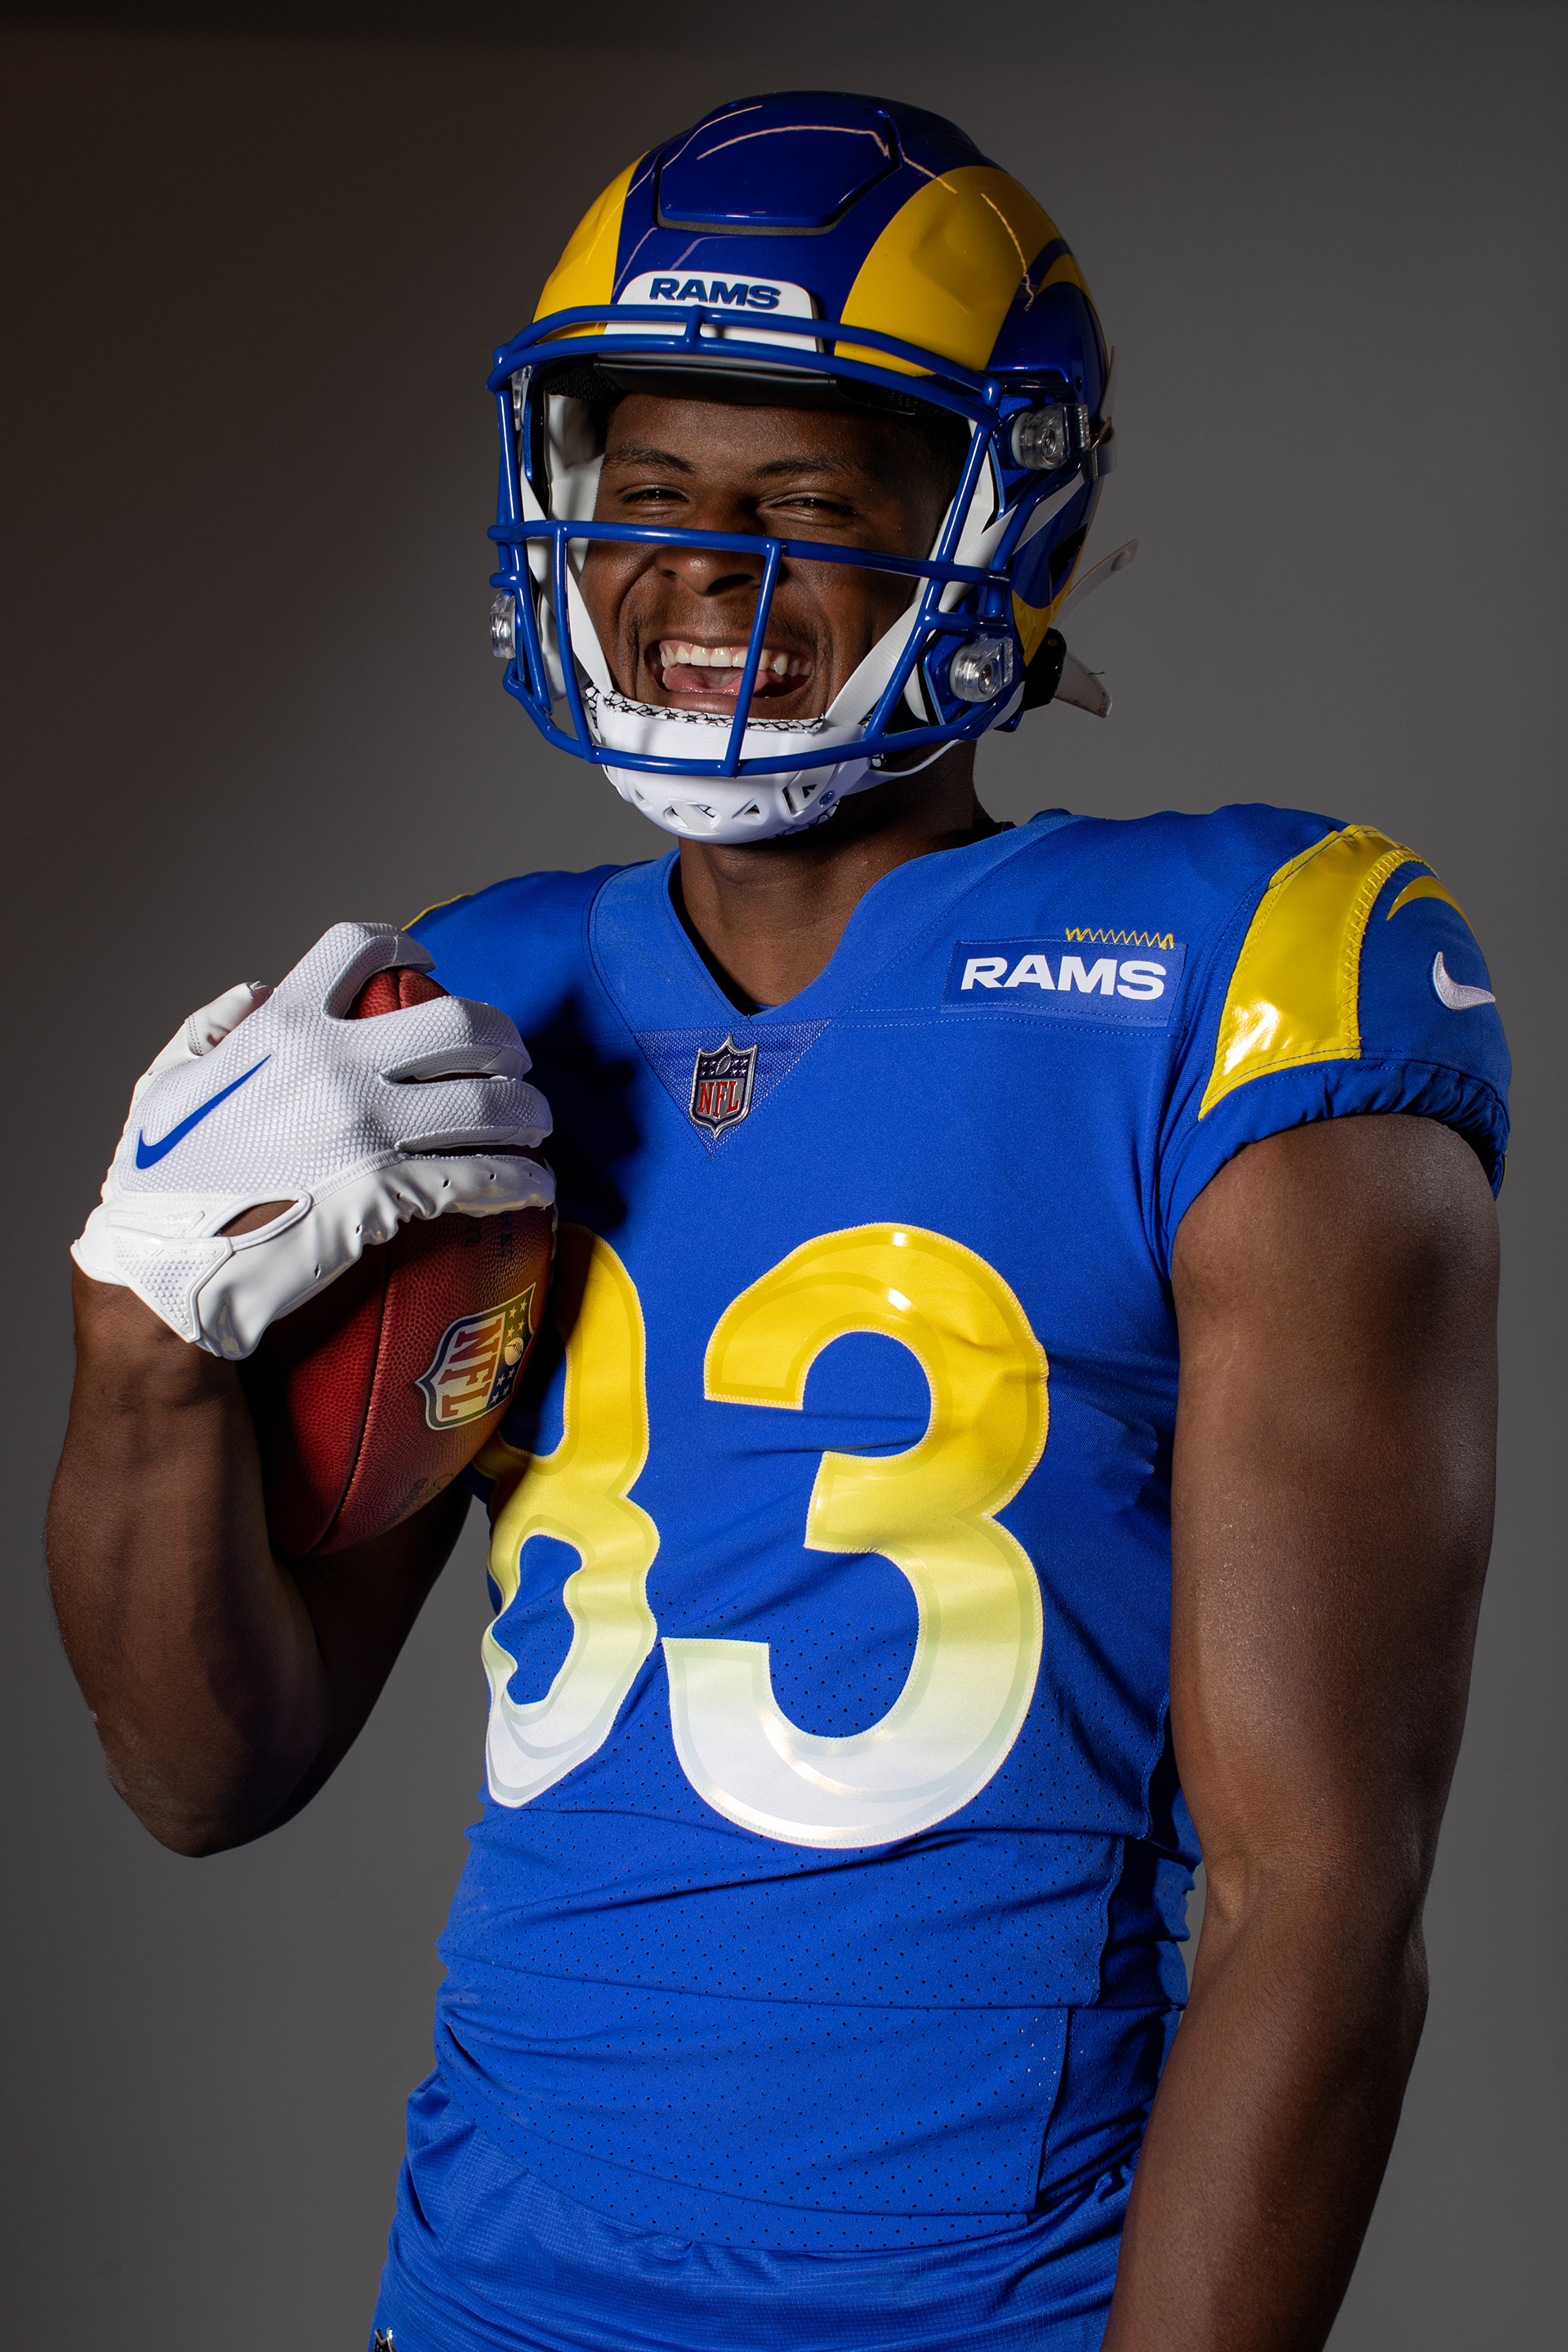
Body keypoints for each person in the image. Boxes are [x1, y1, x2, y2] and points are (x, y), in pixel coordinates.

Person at [48, 91, 1509, 2352]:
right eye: (648, 494)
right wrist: (140, 1350)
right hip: (490, 2282)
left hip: (988, 2303)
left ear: (998, 526)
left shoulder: (1243, 964)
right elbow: (204, 1771)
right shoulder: (473, 1000)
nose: (698, 571)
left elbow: (1319, 1898)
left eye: (802, 502)